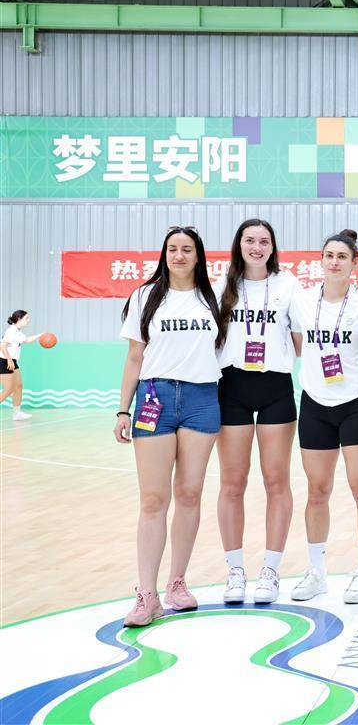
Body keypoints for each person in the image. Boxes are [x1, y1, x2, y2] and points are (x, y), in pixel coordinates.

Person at [113, 226, 225, 627]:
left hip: (202, 399)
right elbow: (134, 357)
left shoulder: (213, 298)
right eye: (172, 249)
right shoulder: (144, 296)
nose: (179, 255)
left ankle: (177, 582)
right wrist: (123, 410)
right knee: (153, 499)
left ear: (198, 256)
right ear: (164, 255)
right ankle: (147, 595)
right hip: (154, 398)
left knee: (190, 494)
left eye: (187, 249)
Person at [287, 230, 358, 605]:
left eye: (342, 256)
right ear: (321, 260)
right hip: (314, 404)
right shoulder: (302, 301)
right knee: (317, 491)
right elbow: (297, 345)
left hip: (356, 403)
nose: (335, 262)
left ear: (354, 263)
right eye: (329, 255)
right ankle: (317, 572)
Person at [213, 219, 301, 605]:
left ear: (272, 247)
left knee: (276, 481)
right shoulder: (222, 285)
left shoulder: (288, 285)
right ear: (239, 245)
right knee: (232, 483)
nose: (257, 247)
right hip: (231, 386)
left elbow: (301, 340)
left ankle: (270, 570)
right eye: (249, 240)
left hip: (275, 387)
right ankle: (235, 571)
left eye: (264, 241)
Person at [1, 310, 45, 421]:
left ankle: (17, 413)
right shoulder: (11, 331)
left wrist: (40, 335)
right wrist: (9, 360)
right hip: (4, 360)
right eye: (26, 318)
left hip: (12, 361)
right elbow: (2, 346)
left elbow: (26, 340)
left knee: (18, 386)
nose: (28, 320)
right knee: (8, 390)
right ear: (19, 319)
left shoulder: (18, 331)